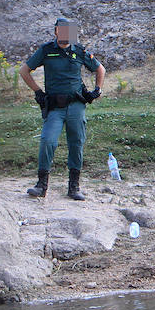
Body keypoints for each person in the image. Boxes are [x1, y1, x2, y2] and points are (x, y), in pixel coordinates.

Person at [19, 17, 105, 200]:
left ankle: (74, 187)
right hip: (54, 107)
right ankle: (41, 185)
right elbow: (24, 71)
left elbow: (100, 69)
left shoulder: (79, 51)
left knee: (76, 143)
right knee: (47, 141)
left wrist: (97, 90)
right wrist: (38, 92)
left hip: (76, 105)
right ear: (56, 31)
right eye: (62, 30)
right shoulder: (47, 50)